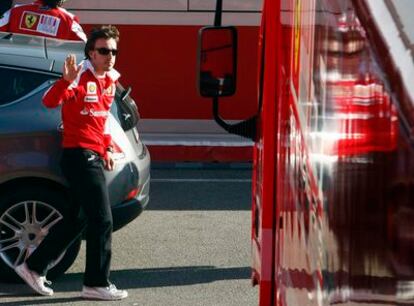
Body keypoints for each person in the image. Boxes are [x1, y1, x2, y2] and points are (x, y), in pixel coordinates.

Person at [14, 25, 128, 301]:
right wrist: (66, 81)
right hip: (79, 156)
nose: (109, 56)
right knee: (102, 221)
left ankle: (32, 266)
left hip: (93, 154)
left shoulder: (110, 80)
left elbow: (98, 122)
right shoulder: (79, 75)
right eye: (103, 50)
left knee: (78, 219)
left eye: (113, 51)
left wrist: (108, 148)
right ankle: (96, 283)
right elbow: (49, 100)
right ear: (91, 52)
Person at [0, 0, 86, 41]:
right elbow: (85, 48)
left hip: (15, 67)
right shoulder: (69, 20)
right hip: (49, 72)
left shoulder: (15, 11)